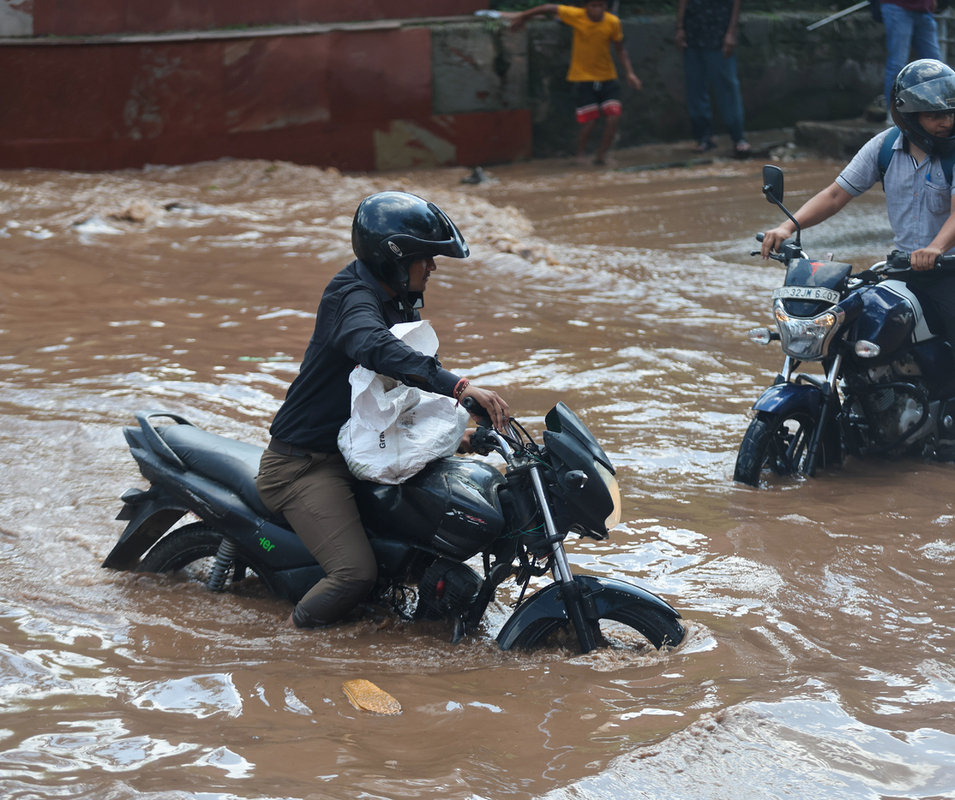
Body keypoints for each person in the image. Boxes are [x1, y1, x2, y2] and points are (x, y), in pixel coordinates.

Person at [255, 192, 510, 629]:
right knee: (355, 574)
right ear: (395, 257)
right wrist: (460, 386)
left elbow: (395, 398)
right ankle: (290, 651)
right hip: (305, 466)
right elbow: (377, 350)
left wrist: (459, 436)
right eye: (425, 258)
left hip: (355, 456)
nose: (432, 267)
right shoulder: (351, 298)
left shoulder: (395, 302)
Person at [760, 59, 955, 467]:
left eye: (950, 112)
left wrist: (935, 249)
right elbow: (836, 194)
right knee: (852, 330)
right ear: (907, 116)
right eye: (934, 115)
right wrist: (787, 227)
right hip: (906, 271)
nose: (946, 122)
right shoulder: (883, 147)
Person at [507, 1, 643, 166]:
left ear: (606, 7)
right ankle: (580, 154)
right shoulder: (576, 16)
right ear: (586, 6)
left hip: (607, 78)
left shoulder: (612, 22)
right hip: (584, 78)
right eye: (593, 6)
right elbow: (548, 8)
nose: (597, 9)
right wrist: (524, 16)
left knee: (613, 118)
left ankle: (601, 155)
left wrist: (630, 73)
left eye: (601, 6)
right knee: (590, 121)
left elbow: (620, 49)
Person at [675, 0, 750, 156]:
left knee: (727, 86)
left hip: (719, 31)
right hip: (693, 30)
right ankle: (704, 137)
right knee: (695, 86)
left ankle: (738, 138)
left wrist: (731, 31)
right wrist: (680, 27)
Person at [879, 0, 942, 106]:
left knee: (935, 66)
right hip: (897, 6)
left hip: (924, 9)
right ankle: (895, 112)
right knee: (897, 64)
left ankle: (936, 109)